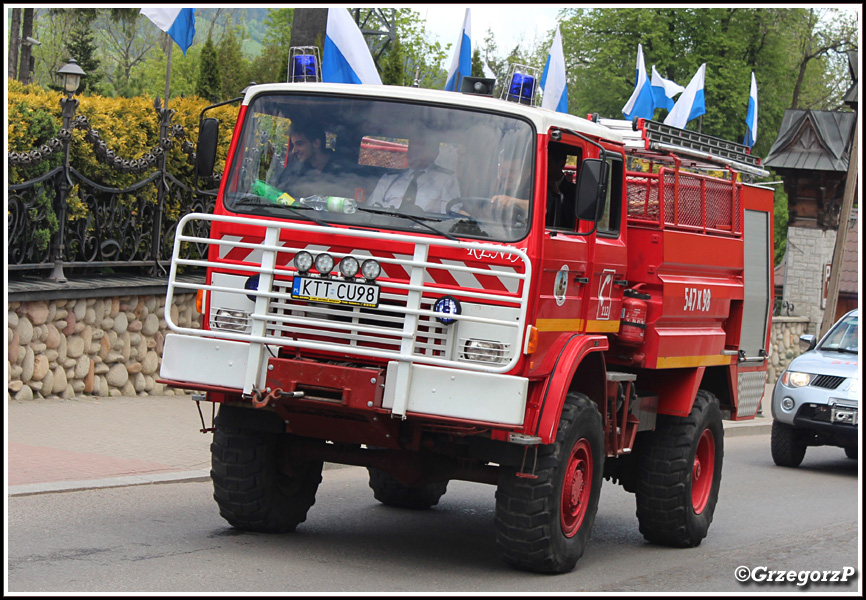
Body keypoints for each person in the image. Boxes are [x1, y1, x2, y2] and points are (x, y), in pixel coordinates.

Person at [367, 136, 460, 213]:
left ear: (435, 153)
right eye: (411, 148)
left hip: (424, 232)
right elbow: (371, 209)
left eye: (420, 150)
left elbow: (449, 215)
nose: (413, 153)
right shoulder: (389, 178)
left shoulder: (447, 179)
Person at [273, 122, 344, 199]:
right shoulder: (290, 173)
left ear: (316, 143)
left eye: (299, 144)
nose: (294, 151)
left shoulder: (344, 173)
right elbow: (272, 193)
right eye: (293, 145)